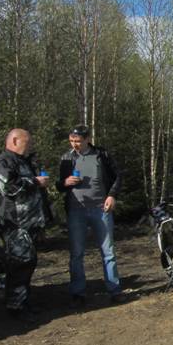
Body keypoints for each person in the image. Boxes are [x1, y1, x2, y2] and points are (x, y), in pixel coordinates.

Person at [56, 125, 123, 307]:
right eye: (71, 141)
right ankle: (78, 293)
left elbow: (117, 176)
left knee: (108, 252)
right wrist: (65, 182)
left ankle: (114, 290)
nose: (74, 144)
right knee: (76, 253)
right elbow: (59, 186)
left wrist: (112, 195)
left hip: (101, 209)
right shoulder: (67, 158)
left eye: (78, 141)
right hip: (76, 210)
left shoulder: (102, 155)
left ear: (87, 139)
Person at [0, 129, 50, 321]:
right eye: (27, 142)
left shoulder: (24, 161)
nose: (30, 145)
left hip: (28, 223)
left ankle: (23, 300)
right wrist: (35, 182)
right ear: (15, 141)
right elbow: (7, 186)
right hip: (13, 223)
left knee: (27, 262)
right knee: (19, 264)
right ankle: (15, 306)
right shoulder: (3, 162)